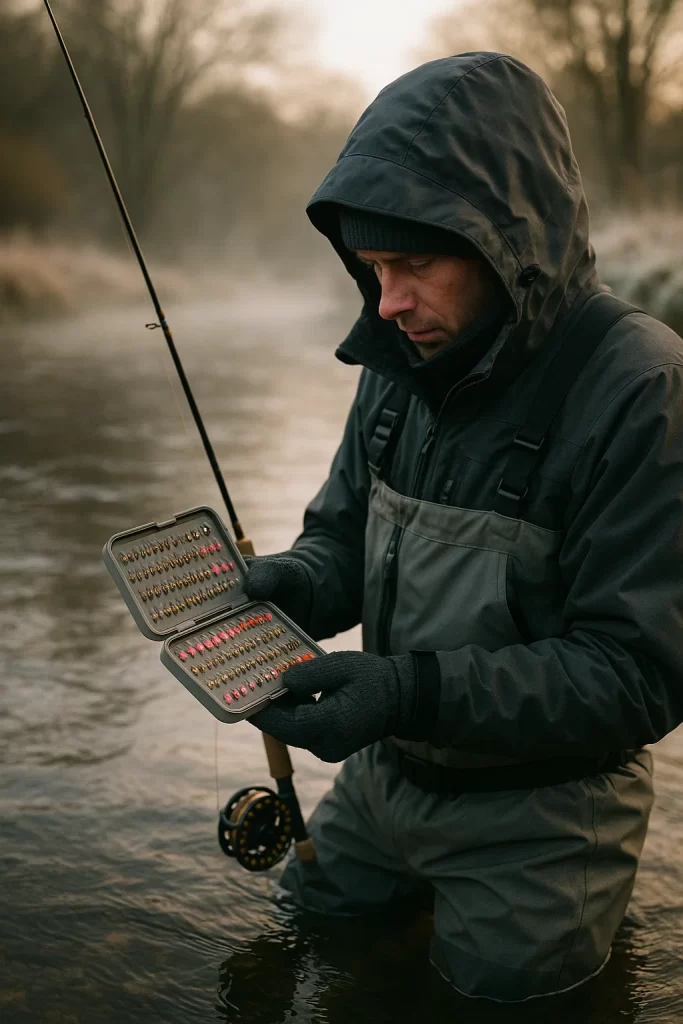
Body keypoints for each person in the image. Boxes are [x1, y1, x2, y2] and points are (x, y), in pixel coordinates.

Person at [243, 52, 683, 1002]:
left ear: (503, 243)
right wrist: (297, 584)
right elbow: (344, 543)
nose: (389, 303)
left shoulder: (639, 386)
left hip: (548, 814)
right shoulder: (398, 355)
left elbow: (637, 675)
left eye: (414, 264)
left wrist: (404, 691)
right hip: (384, 778)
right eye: (372, 269)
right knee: (302, 936)